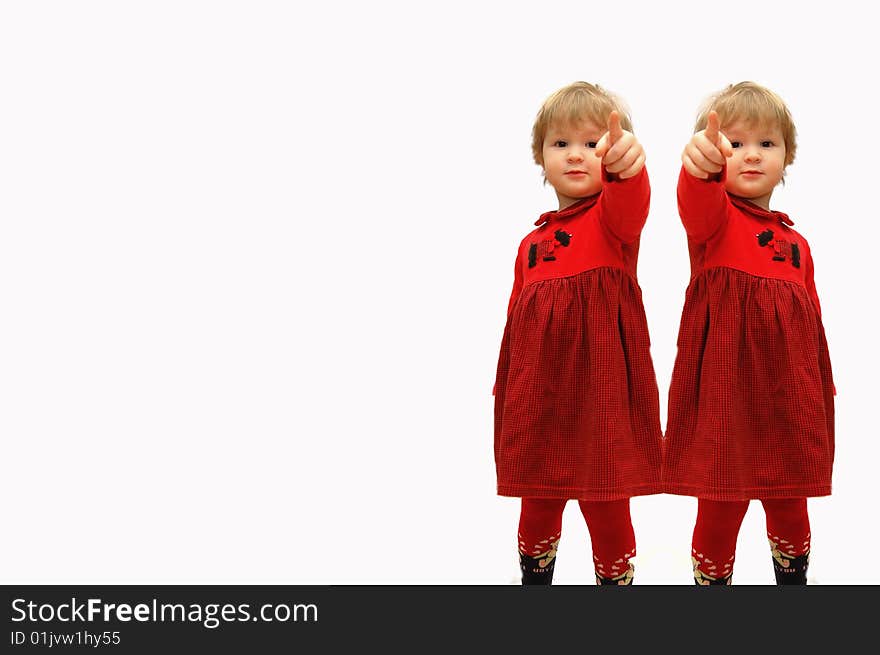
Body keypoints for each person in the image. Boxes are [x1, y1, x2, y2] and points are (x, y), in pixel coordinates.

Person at [664, 81, 835, 585]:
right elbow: (693, 200)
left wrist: (821, 397)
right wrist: (699, 168)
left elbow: (813, 334)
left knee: (790, 506)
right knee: (719, 507)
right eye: (734, 145)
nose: (752, 156)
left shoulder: (798, 244)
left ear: (788, 156)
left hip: (788, 400)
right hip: (724, 400)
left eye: (766, 144)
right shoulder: (713, 223)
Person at [493, 82, 663, 585]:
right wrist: (507, 397)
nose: (576, 155)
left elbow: (633, 200)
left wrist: (627, 169)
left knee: (607, 507)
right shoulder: (529, 244)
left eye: (593, 145)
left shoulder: (614, 224)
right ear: (540, 156)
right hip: (540, 399)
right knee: (537, 505)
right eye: (561, 143)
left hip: (603, 400)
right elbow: (514, 334)